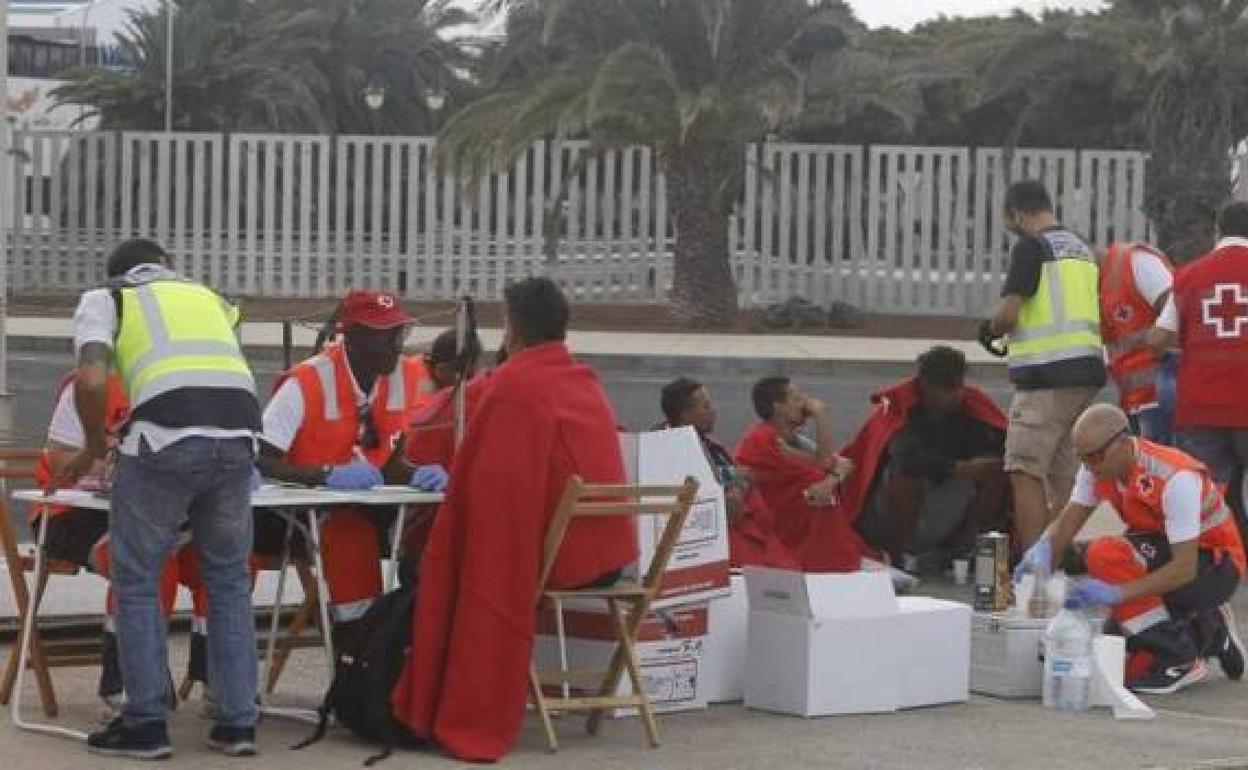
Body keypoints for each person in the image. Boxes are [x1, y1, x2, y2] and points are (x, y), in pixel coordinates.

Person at [391, 277, 639, 762]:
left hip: (563, 561)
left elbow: (490, 499)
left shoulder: (514, 388)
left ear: (512, 331)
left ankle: (439, 698)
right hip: (610, 555)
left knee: (437, 566)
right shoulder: (581, 380)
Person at [59, 238, 260, 758]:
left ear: (118, 272)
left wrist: (95, 443)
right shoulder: (209, 297)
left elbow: (92, 376)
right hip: (240, 436)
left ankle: (145, 724)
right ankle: (237, 724)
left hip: (167, 435)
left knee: (139, 580)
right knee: (229, 583)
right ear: (167, 269)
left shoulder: (109, 297)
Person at [1016, 403, 1245, 694]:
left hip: (1215, 563)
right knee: (1104, 565)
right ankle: (1208, 629)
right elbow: (1065, 525)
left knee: (1116, 577)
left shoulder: (1176, 478)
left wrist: (1117, 593)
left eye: (1096, 457)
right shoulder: (1096, 470)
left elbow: (1183, 568)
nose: (1090, 466)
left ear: (1123, 442)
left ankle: (1180, 657)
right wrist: (1041, 555)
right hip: (1165, 547)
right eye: (1082, 458)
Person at [256, 289, 432, 641]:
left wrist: (419, 473)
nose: (397, 345)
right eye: (387, 336)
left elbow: (392, 462)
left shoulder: (406, 377)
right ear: (352, 338)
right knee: (350, 537)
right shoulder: (305, 381)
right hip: (305, 518)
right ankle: (358, 648)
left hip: (381, 510)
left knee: (436, 533)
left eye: (399, 333)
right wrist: (324, 476)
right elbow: (260, 459)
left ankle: (416, 636)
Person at [36, 370, 212, 709]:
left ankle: (219, 681)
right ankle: (126, 686)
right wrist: (113, 466)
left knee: (225, 563)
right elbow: (58, 458)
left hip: (159, 509)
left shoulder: (184, 382)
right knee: (148, 560)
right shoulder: (92, 384)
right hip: (72, 510)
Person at [984, 179, 1106, 552]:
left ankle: (1033, 570)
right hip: (1085, 373)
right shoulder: (1082, 249)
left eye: (1011, 224)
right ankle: (1058, 560)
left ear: (1019, 214)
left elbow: (1008, 315)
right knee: (1064, 473)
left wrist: (989, 329)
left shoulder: (1031, 247)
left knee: (1024, 470)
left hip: (1045, 376)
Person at [849, 346, 1009, 573]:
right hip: (890, 512)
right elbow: (905, 458)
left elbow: (1004, 446)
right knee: (905, 477)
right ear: (926, 385)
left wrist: (984, 465)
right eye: (947, 388)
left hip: (947, 502)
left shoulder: (970, 410)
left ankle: (966, 547)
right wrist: (958, 468)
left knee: (997, 470)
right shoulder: (904, 411)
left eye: (959, 386)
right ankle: (904, 553)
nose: (956, 395)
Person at [1150, 202, 1248, 542]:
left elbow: (1158, 340)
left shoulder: (1189, 275)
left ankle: (1217, 560)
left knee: (1207, 494)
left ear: (1219, 231)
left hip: (1200, 406)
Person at [659, 377, 798, 568]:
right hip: (705, 531)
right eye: (706, 407)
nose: (714, 411)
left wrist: (737, 489)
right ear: (685, 415)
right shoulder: (664, 447)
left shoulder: (709, 444)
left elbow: (745, 475)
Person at [735, 376, 865, 571]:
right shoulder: (763, 440)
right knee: (815, 483)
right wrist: (821, 415)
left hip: (795, 520)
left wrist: (830, 480)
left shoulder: (791, 439)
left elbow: (839, 464)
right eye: (796, 399)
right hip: (776, 526)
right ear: (778, 406)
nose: (805, 404)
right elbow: (826, 464)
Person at [1099, 241, 1176, 443]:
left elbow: (1176, 305)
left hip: (1161, 397)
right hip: (1134, 401)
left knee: (1159, 467)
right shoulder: (1099, 285)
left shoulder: (1133, 262)